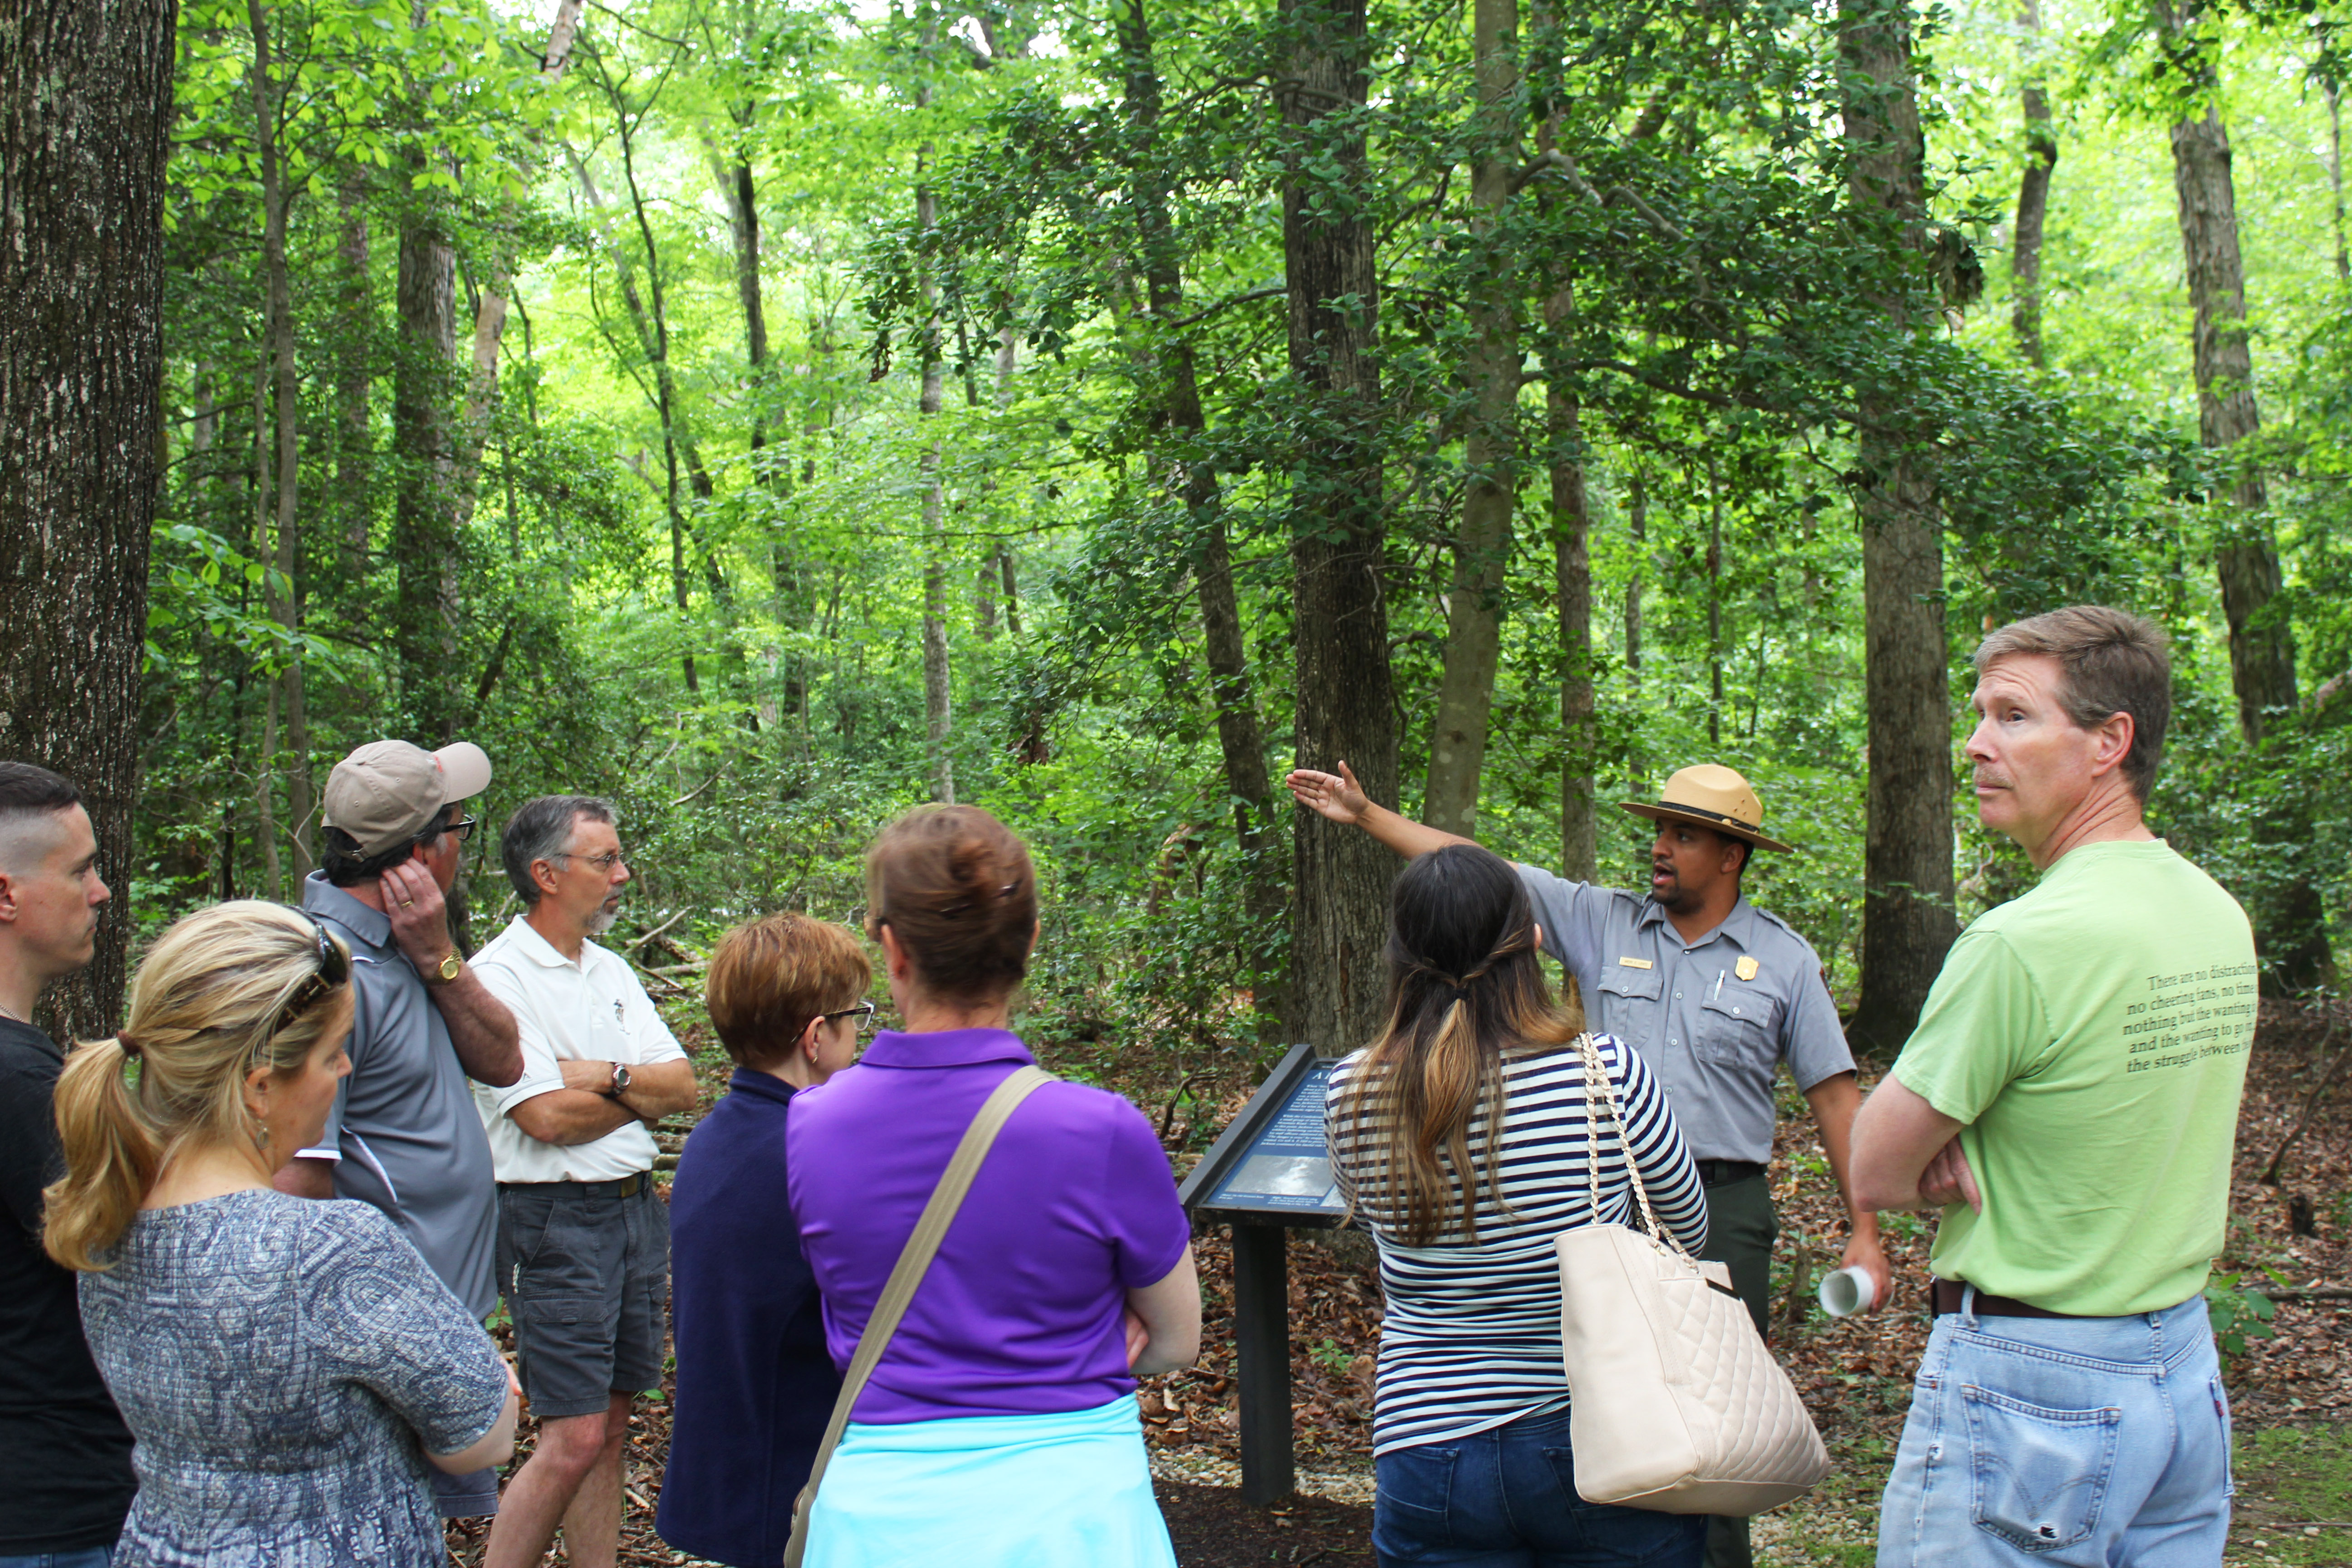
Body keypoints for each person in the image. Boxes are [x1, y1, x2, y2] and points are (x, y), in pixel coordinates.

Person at [1286, 759, 1882, 1568]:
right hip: (1583, 1193)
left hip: (1719, 1201)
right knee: (1616, 1410)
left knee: (1714, 1418)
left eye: (1685, 835)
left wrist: (1866, 1227)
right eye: (1660, 831)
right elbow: (1476, 871)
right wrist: (1367, 815)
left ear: (1733, 854)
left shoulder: (1783, 959)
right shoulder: (1600, 921)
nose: (1661, 848)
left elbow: (1837, 1098)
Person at [1853, 607, 2249, 1567]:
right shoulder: (2212, 911)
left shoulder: (2021, 943)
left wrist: (1951, 1139)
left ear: (2110, 742)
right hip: (2182, 1375)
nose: (1977, 745)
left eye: (2014, 717)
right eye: (1980, 715)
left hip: (2031, 1391)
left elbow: (1872, 1167)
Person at [785, 805, 1200, 1568]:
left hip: (882, 1520)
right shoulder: (1102, 1129)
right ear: (1030, 941)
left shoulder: (813, 1123)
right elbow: (1175, 1338)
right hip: (1075, 1516)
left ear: (892, 948)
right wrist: (1082, 1340)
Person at [45, 900, 519, 1568]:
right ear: (261, 1088)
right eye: (332, 1056)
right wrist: (489, 1378)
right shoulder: (327, 1251)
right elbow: (483, 1439)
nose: (345, 1072)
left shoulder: (100, 1221)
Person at [1326, 843, 1712, 1568]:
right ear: (1533, 942)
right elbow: (1687, 1230)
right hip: (1603, 1429)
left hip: (1426, 1442)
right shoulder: (1608, 1075)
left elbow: (1371, 1218)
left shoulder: (1352, 1089)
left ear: (1400, 954)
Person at [274, 736, 523, 1522]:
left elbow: (504, 1062)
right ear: (419, 855)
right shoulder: (325, 973)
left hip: (429, 1324)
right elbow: (298, 1180)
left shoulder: (407, 954)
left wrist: (440, 957)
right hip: (380, 1342)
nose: (460, 844)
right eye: (459, 827)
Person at [472, 796, 700, 1568]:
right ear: (546, 874)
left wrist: (603, 1076)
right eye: (605, 861)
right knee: (570, 1437)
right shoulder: (497, 978)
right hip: (553, 1217)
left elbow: (682, 1087)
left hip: (634, 1210)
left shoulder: (609, 970)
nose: (622, 874)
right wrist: (631, 1096)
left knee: (609, 1427)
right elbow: (545, 1120)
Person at [656, 913, 868, 1568]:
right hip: (791, 1490)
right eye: (855, 1017)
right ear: (815, 1037)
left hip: (735, 1472)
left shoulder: (717, 1137)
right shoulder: (810, 1156)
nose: (861, 1035)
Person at [0, 763, 135, 1567]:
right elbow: (124, 1254)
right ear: (7, 895)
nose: (102, 892)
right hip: (51, 1513)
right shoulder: (16, 1082)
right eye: (80, 869)